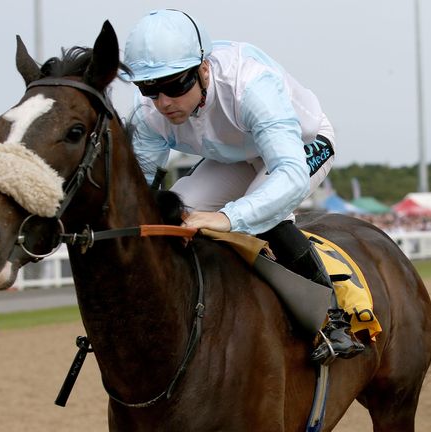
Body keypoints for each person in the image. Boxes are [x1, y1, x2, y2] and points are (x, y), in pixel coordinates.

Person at [120, 9, 363, 362]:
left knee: (266, 214)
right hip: (234, 157)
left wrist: (229, 218)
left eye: (174, 85)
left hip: (299, 147)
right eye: (149, 88)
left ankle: (332, 319)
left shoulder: (249, 85)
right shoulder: (148, 113)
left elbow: (289, 174)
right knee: (175, 216)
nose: (163, 102)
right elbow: (139, 191)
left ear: (204, 69)